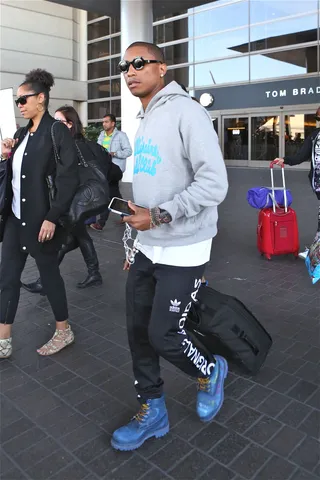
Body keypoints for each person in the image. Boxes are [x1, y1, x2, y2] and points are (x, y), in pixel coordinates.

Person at [110, 42, 229, 452]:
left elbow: (215, 183)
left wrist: (158, 215)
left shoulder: (187, 111)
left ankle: (211, 371)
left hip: (184, 247)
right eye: (125, 65)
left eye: (139, 63)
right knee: (137, 334)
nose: (130, 71)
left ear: (162, 67)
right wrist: (137, 230)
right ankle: (153, 410)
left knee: (165, 335)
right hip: (148, 245)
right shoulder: (144, 120)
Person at [0, 69, 79, 358]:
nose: (19, 104)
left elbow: (68, 178)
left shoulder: (56, 131)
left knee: (49, 276)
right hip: (14, 218)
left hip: (41, 220)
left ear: (41, 98)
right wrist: (6, 154)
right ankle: (3, 340)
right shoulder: (21, 134)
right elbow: (14, 177)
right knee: (6, 277)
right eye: (17, 100)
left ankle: (63, 330)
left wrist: (52, 215)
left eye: (24, 99)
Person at [21, 105, 121, 295]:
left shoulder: (69, 148)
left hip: (75, 202)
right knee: (78, 236)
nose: (54, 126)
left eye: (59, 122)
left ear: (70, 124)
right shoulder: (90, 145)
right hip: (84, 202)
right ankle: (93, 273)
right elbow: (115, 172)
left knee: (66, 239)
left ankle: (45, 280)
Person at [274, 106, 320, 259]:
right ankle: (316, 251)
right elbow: (301, 156)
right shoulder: (314, 137)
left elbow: (301, 156)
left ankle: (316, 252)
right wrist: (285, 160)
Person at [91, 114, 132, 231]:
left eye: (106, 122)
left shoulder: (121, 136)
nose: (104, 124)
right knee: (114, 194)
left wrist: (115, 153)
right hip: (104, 169)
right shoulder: (101, 135)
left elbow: (128, 151)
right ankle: (127, 214)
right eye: (103, 122)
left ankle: (101, 223)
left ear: (113, 123)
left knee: (108, 195)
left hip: (115, 170)